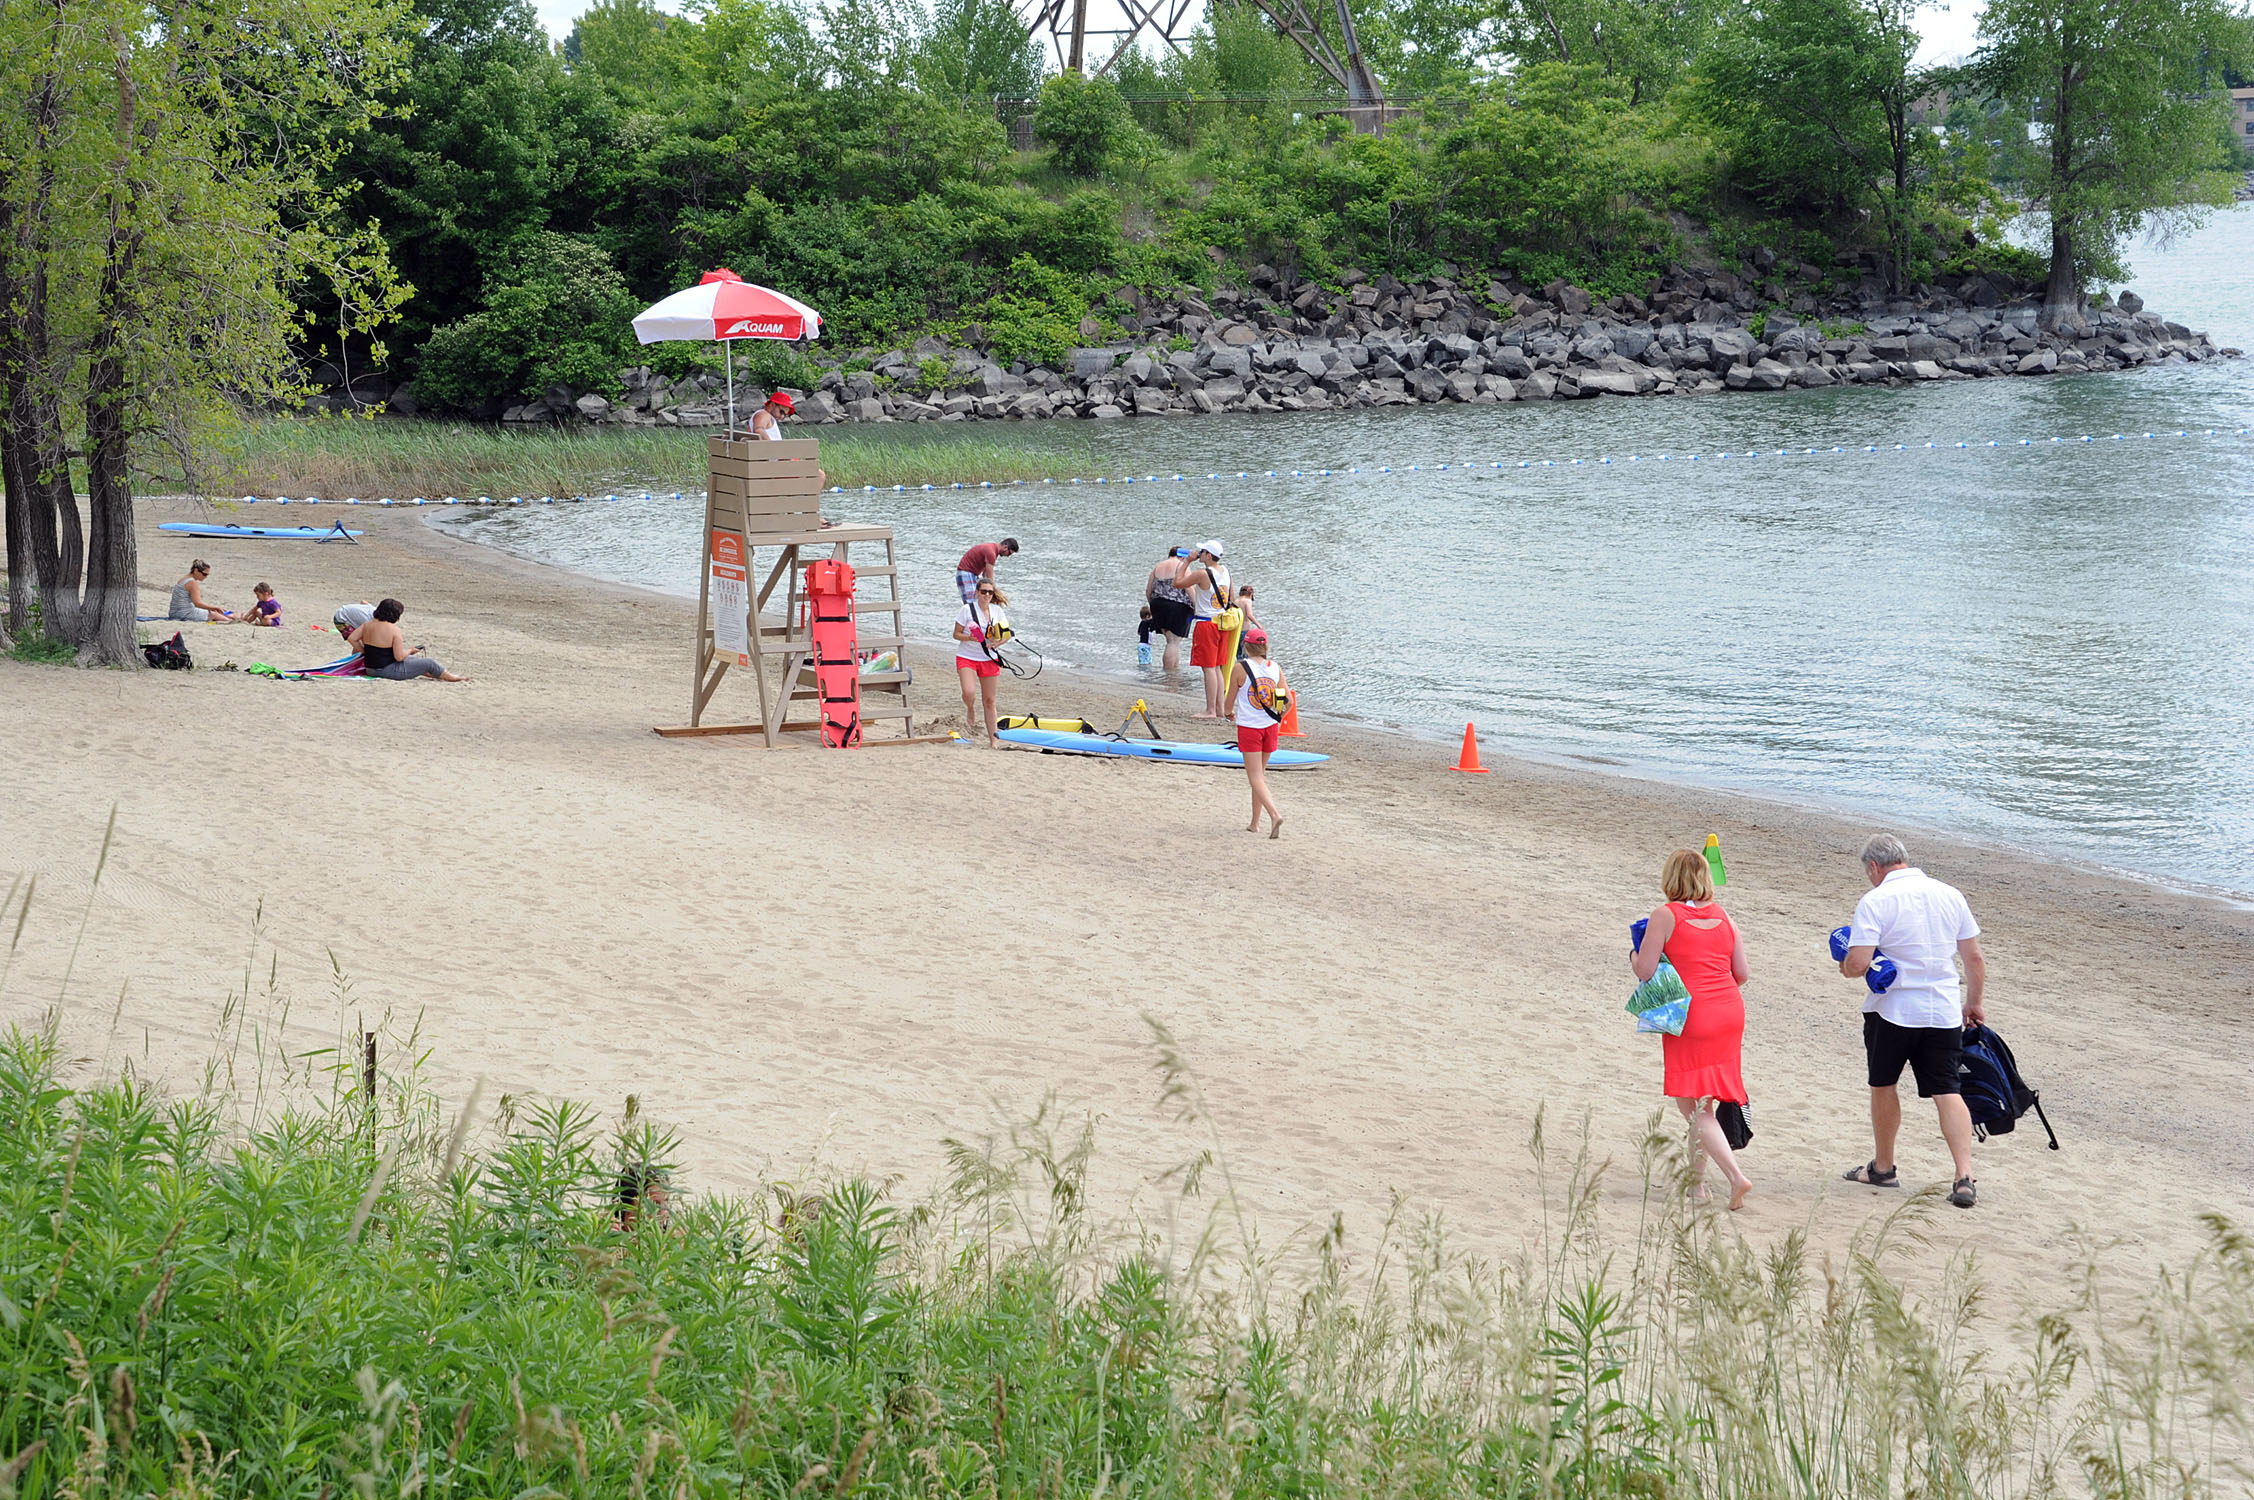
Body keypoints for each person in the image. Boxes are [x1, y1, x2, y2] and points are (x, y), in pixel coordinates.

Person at [1838, 834, 1986, 1209]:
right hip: (1942, 1008)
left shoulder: (1876, 900)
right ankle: (1964, 1176)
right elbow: (1974, 959)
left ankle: (1884, 1167)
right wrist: (1973, 1003)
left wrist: (1845, 966)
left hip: (1894, 1010)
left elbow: (1858, 963)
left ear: (1873, 867)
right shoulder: (1950, 894)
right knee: (1947, 1090)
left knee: (1884, 1084)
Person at [1630, 850, 1753, 1210]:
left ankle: (1735, 1177)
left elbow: (1646, 970)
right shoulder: (1723, 915)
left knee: (1695, 1108)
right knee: (1706, 1103)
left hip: (1691, 1015)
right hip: (1729, 1011)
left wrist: (1633, 955)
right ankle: (1696, 1188)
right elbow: (1742, 973)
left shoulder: (1665, 915)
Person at [1224, 628, 1287, 838]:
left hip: (1250, 727)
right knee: (1260, 776)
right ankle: (1254, 823)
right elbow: (1287, 701)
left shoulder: (1240, 668)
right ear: (1265, 647)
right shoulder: (1275, 668)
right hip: (1270, 726)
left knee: (1254, 777)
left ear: (1246, 646)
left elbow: (1228, 702)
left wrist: (1228, 714)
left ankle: (1274, 814)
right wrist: (1277, 713)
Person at [348, 598, 468, 681]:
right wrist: (410, 650)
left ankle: (435, 673)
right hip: (385, 670)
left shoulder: (367, 625)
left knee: (413, 660)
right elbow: (399, 657)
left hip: (370, 668)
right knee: (429, 662)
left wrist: (364, 651)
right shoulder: (394, 631)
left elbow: (352, 638)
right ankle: (452, 677)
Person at [1182, 540, 1235, 718]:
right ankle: (1219, 709)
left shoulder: (1202, 574)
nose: (1200, 553)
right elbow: (1231, 598)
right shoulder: (1226, 572)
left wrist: (1186, 561)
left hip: (1206, 623)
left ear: (1209, 555)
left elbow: (1177, 582)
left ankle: (1211, 710)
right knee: (1218, 667)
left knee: (1208, 667)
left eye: (1203, 551)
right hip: (1222, 622)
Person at [954, 579, 1007, 746]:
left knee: (990, 700)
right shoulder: (966, 610)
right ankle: (970, 708)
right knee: (968, 692)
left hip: (988, 658)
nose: (986, 595)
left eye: (990, 592)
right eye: (983, 591)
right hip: (967, 656)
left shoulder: (997, 611)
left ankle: (993, 740)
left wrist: (996, 643)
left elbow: (1006, 634)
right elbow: (956, 634)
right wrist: (969, 637)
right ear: (976, 592)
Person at [1143, 547, 1195, 672]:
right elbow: (1189, 589)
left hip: (1157, 604)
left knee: (1170, 640)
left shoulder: (1158, 567)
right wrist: (1197, 607)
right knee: (1173, 641)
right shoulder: (1182, 566)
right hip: (1177, 607)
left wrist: (1153, 605)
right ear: (1182, 557)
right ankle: (1170, 674)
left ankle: (1172, 670)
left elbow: (1148, 590)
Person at [956, 538, 1019, 606]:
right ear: (1005, 547)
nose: (1008, 556)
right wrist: (995, 591)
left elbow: (985, 574)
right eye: (1009, 553)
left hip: (972, 574)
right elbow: (989, 578)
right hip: (966, 573)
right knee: (971, 603)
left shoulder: (993, 550)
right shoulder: (991, 553)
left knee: (979, 600)